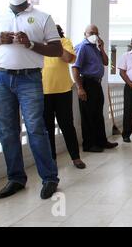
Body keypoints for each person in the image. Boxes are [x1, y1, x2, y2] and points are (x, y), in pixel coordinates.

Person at [0, 0, 62, 199]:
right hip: (0, 79)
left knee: (36, 128)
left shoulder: (42, 17)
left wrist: (30, 43)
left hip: (29, 79)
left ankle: (49, 178)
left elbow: (56, 50)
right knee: (7, 130)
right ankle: (16, 178)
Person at [43, 25, 86, 169]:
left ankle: (76, 157)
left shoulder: (65, 41)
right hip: (42, 92)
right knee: (47, 128)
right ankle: (52, 160)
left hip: (63, 91)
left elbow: (68, 58)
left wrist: (54, 45)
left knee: (67, 125)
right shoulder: (39, 45)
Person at [72, 25, 118, 153]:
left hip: (97, 84)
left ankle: (101, 141)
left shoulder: (95, 48)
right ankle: (89, 144)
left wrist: (102, 48)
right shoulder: (83, 47)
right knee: (88, 115)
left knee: (98, 114)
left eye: (97, 33)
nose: (95, 35)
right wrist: (80, 88)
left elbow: (106, 62)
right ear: (85, 34)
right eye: (91, 33)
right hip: (87, 83)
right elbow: (75, 68)